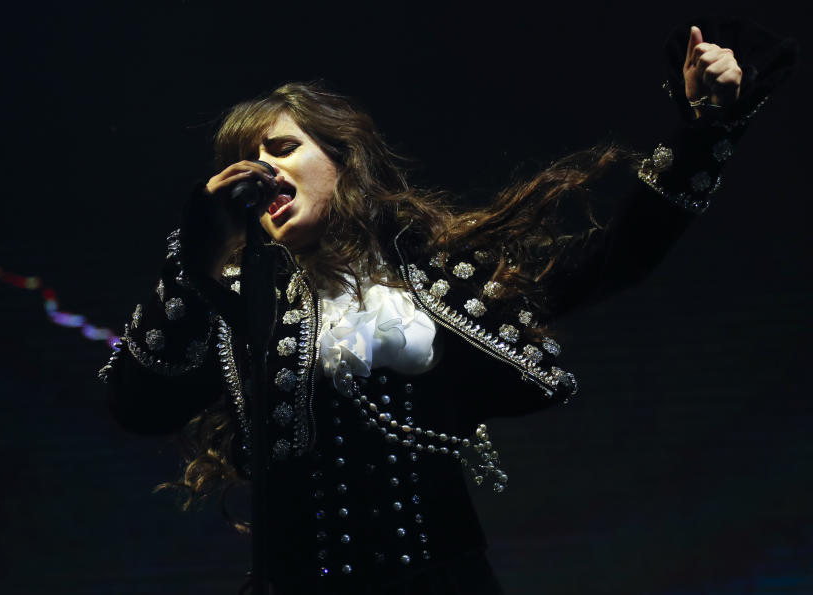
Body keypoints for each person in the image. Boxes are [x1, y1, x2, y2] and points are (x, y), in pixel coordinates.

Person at [99, 20, 795, 595]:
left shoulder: (431, 284)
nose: (265, 171)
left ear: (341, 159)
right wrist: (195, 260)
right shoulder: (229, 302)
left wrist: (708, 128)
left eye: (282, 148)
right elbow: (136, 405)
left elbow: (618, 256)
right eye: (247, 164)